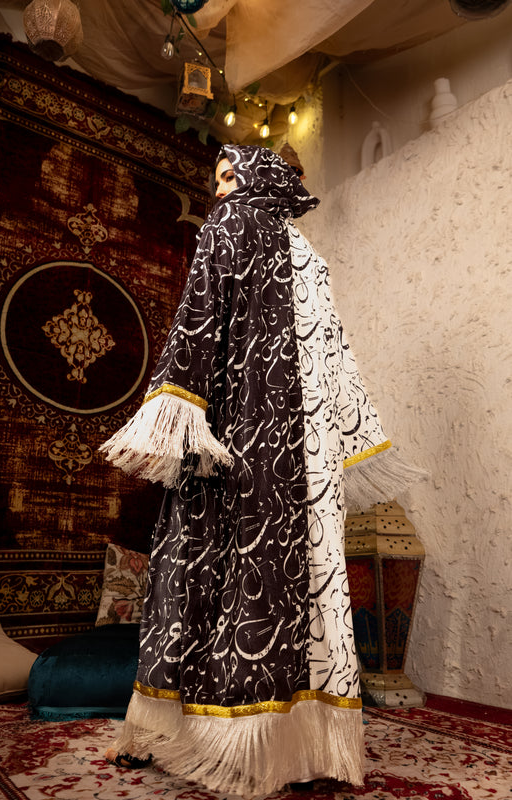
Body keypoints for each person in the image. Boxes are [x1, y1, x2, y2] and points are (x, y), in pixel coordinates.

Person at [100, 145, 424, 797]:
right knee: (294, 590)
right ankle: (289, 750)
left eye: (227, 176)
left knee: (217, 584)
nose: (218, 191)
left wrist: (175, 413)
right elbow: (336, 359)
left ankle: (218, 744)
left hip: (237, 443)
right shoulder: (307, 252)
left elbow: (197, 324)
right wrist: (347, 443)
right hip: (308, 460)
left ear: (255, 177)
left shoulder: (227, 224)